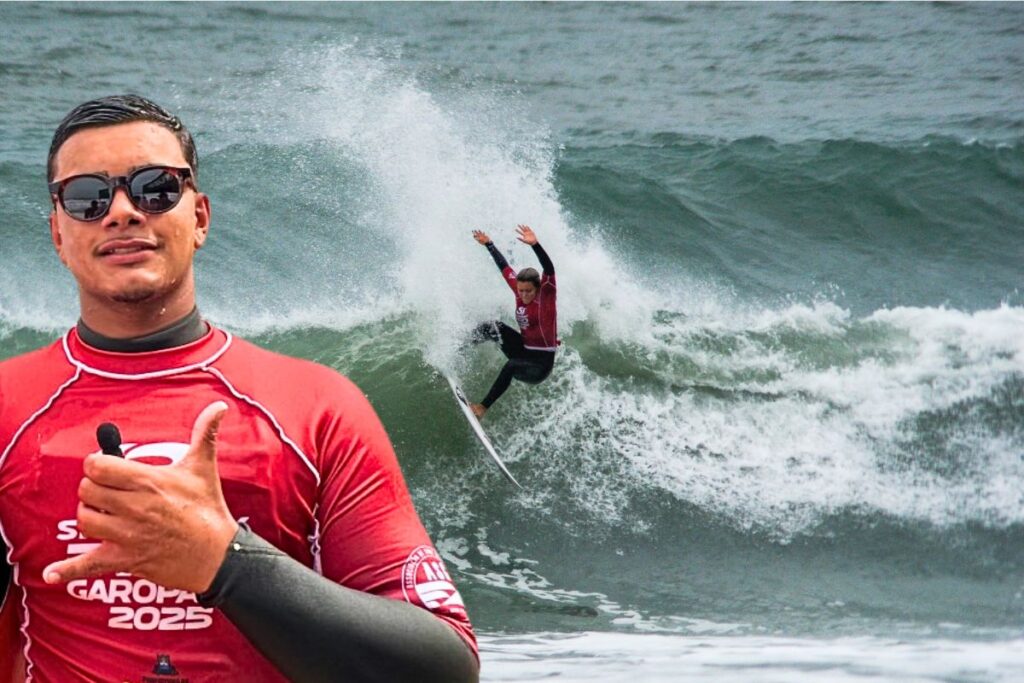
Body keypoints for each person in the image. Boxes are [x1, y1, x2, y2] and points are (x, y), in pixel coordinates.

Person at [0, 95, 479, 683]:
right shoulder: (8, 410)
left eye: (155, 188)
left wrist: (225, 563)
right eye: (85, 197)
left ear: (200, 217)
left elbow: (444, 666)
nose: (121, 212)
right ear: (57, 232)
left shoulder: (314, 408)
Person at [468, 225, 558, 419]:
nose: (523, 295)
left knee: (511, 365)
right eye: (520, 290)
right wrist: (489, 244)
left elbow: (549, 269)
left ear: (538, 288)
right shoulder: (519, 291)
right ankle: (458, 353)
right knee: (492, 327)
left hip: (540, 365)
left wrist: (535, 245)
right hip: (523, 350)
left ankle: (482, 408)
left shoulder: (546, 296)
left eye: (528, 291)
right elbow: (504, 267)